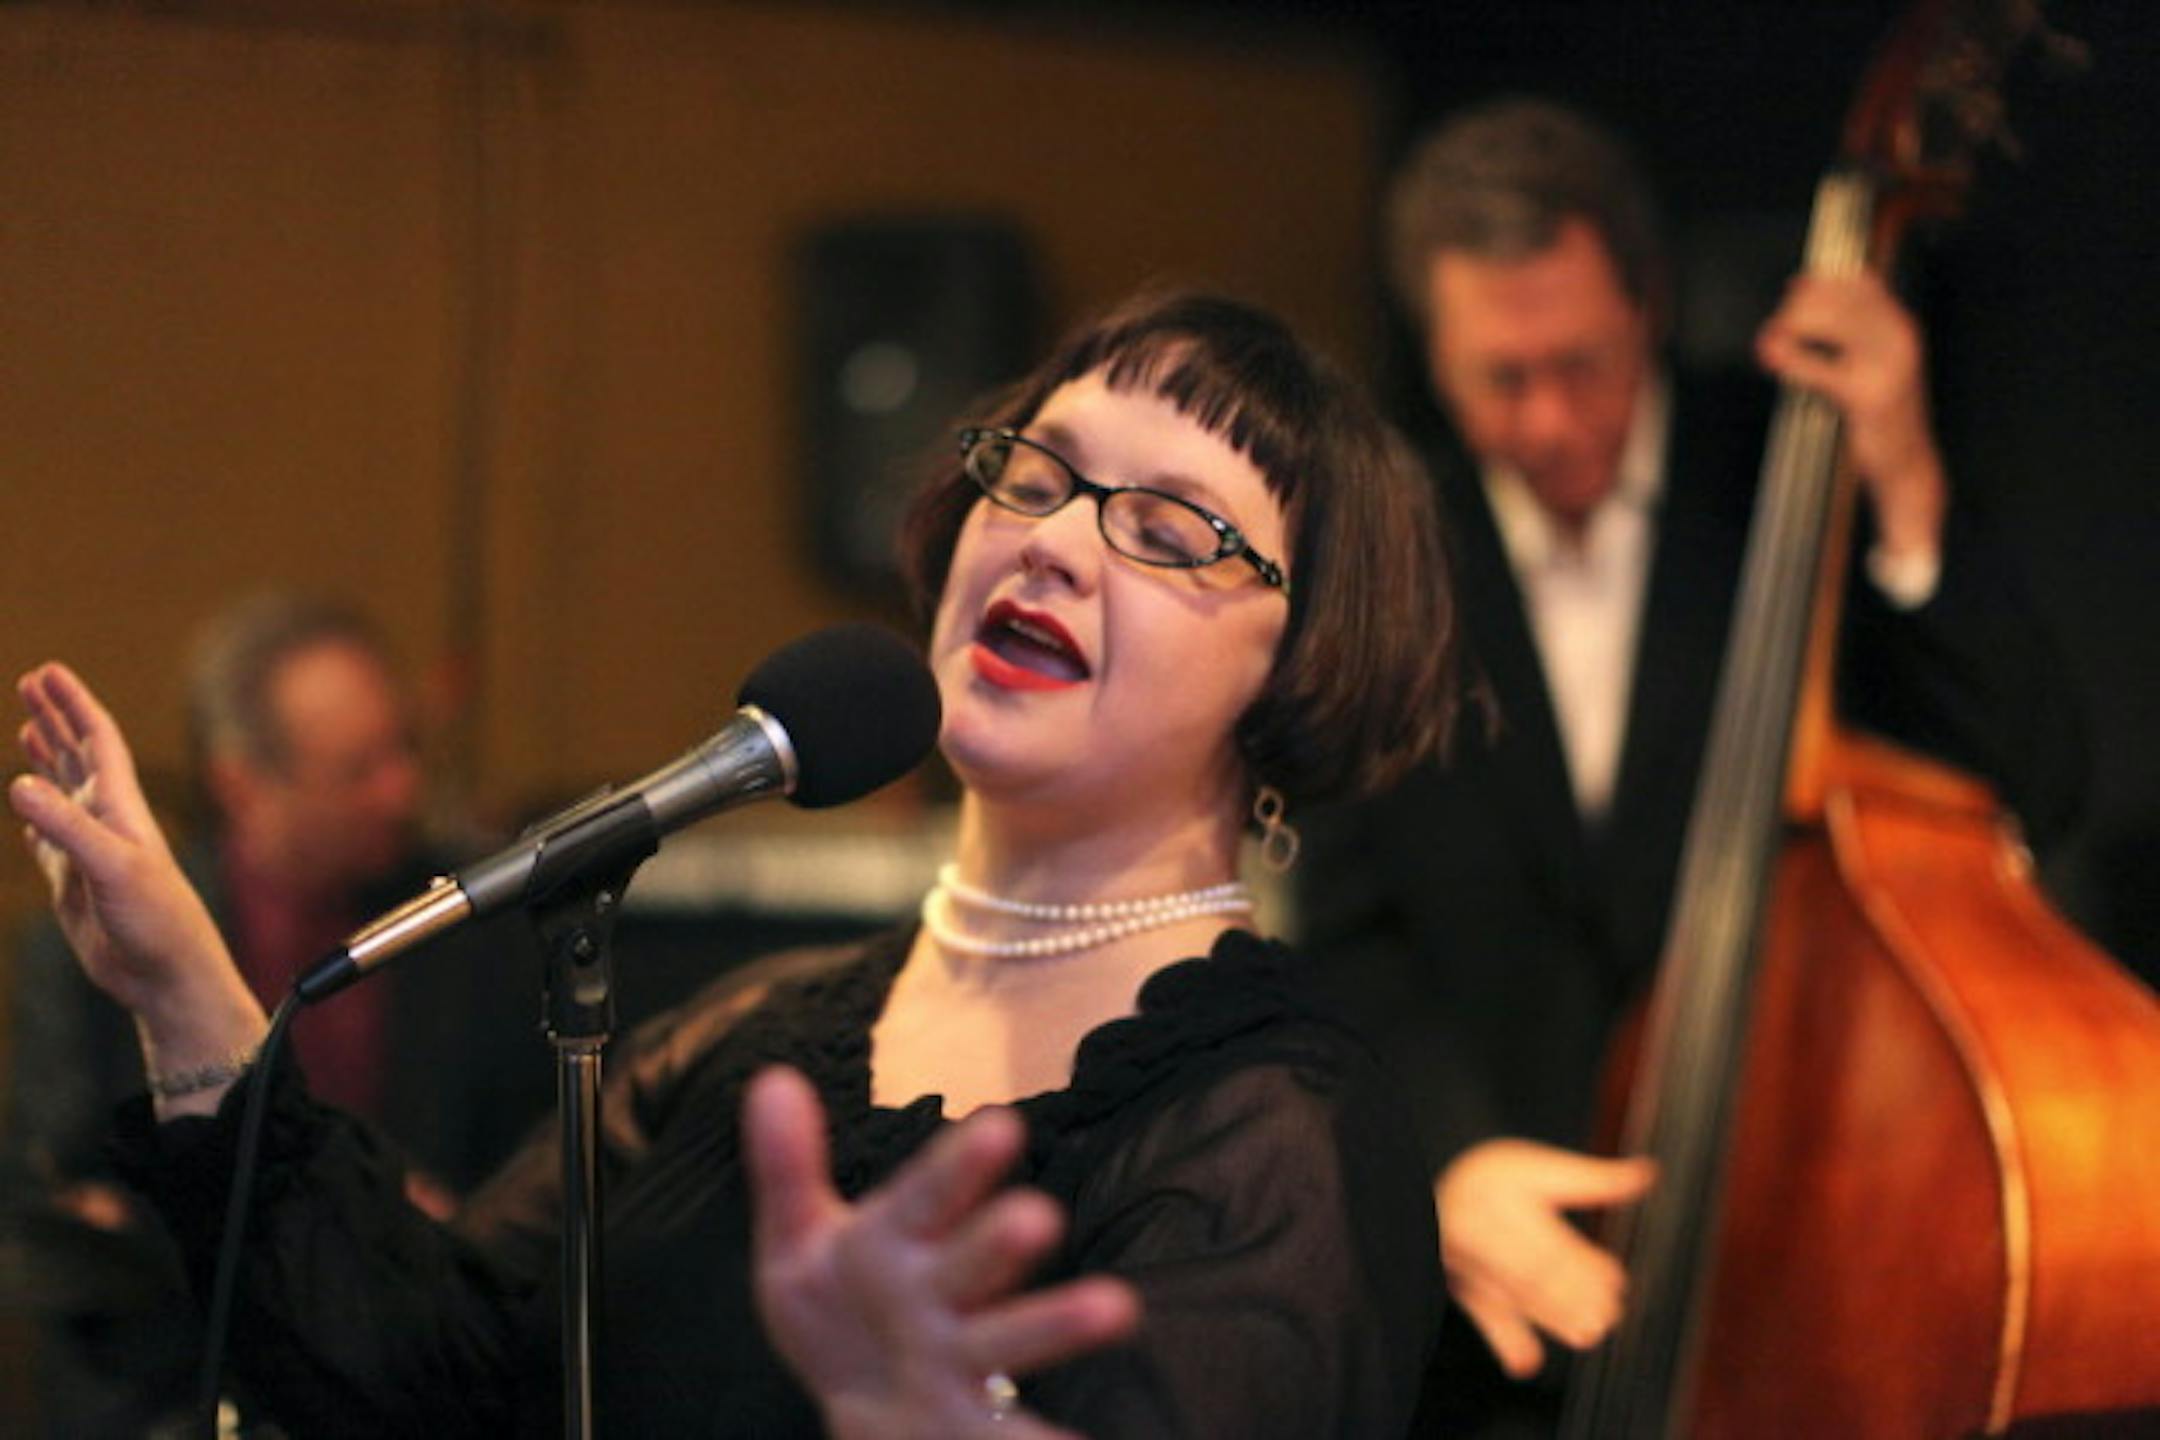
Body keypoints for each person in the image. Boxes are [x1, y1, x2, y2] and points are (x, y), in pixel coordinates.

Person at [9, 290, 1461, 1437]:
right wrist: (181, 983)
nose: (1058, 545)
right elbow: (422, 1373)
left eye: (1166, 528)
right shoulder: (758, 1037)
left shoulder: (1281, 1133)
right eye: (1035, 477)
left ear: (1303, 666)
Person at [1297, 98, 2087, 1434]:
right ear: (1433, 353)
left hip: (1795, 1265)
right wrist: (1450, 1162)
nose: (1552, 420)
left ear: (1651, 308)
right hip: (1489, 1325)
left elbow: (2039, 778)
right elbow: (1348, 934)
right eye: (1501, 379)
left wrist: (1902, 475)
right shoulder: (1376, 557)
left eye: (1584, 364)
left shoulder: (1797, 475)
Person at [3, 595, 555, 1437]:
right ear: (240, 785)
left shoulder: (470, 921)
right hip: (165, 1394)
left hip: (417, 1391)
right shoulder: (85, 943)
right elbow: (65, 1218)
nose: (401, 791)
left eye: (405, 750)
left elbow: (536, 1165)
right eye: (359, 770)